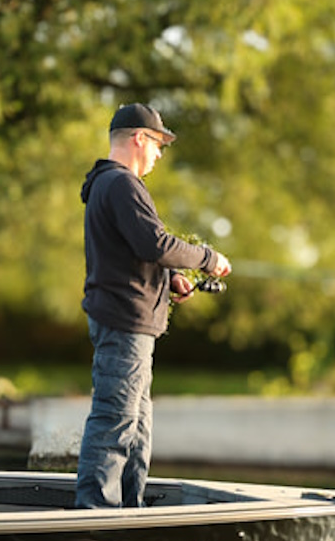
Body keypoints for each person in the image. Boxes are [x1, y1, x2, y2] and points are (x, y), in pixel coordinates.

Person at [76, 103, 231, 508]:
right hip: (125, 321)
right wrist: (207, 258)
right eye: (158, 144)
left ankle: (131, 509)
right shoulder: (122, 184)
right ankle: (95, 511)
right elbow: (155, 243)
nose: (160, 154)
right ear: (138, 138)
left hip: (131, 321)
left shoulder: (108, 185)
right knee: (115, 420)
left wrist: (169, 276)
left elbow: (133, 250)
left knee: (137, 426)